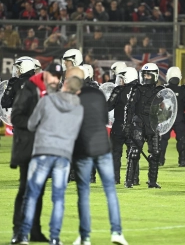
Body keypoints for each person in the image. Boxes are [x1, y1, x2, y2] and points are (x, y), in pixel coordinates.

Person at [17, 75, 84, 245]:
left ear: (64, 85)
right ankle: (55, 238)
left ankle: (23, 236)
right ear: (78, 91)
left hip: (42, 152)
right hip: (63, 156)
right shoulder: (79, 108)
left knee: (31, 196)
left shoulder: (47, 101)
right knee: (59, 199)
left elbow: (32, 124)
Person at [70, 67, 129, 245]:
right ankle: (117, 232)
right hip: (102, 147)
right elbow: (104, 118)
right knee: (110, 191)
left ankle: (85, 236)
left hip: (85, 149)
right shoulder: (97, 94)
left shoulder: (73, 99)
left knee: (84, 193)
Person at [9, 62, 63, 244]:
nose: (56, 81)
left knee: (38, 192)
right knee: (25, 189)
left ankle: (35, 232)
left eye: (58, 78)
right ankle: (18, 233)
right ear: (46, 75)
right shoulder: (30, 88)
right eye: (53, 77)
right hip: (27, 147)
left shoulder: (54, 92)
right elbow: (16, 116)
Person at [123, 63, 165, 188]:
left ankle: (152, 182)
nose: (146, 77)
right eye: (144, 75)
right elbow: (129, 108)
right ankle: (129, 181)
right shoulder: (136, 89)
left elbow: (166, 109)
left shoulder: (161, 91)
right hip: (138, 124)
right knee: (134, 152)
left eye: (148, 75)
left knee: (156, 153)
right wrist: (127, 125)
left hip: (153, 125)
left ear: (155, 76)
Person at [107, 67, 140, 185]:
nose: (120, 81)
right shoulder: (140, 91)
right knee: (134, 153)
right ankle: (134, 179)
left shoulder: (118, 90)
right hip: (134, 126)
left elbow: (108, 106)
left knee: (115, 153)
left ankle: (115, 178)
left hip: (118, 126)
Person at [159, 66, 185, 167]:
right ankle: (182, 161)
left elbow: (157, 105)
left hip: (166, 118)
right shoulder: (184, 90)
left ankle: (160, 160)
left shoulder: (164, 89)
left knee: (163, 140)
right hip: (179, 118)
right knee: (181, 139)